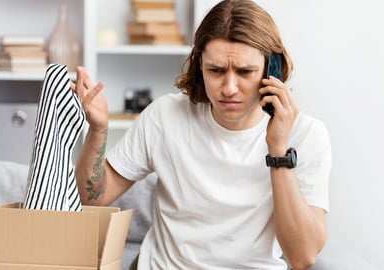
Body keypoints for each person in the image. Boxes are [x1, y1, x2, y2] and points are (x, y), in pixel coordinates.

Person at [72, 0, 331, 269]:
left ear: (271, 70)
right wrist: (98, 130)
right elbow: (90, 198)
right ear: (199, 67)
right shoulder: (164, 116)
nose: (229, 88)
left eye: (245, 72)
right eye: (216, 70)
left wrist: (277, 151)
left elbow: (302, 257)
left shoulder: (306, 134)